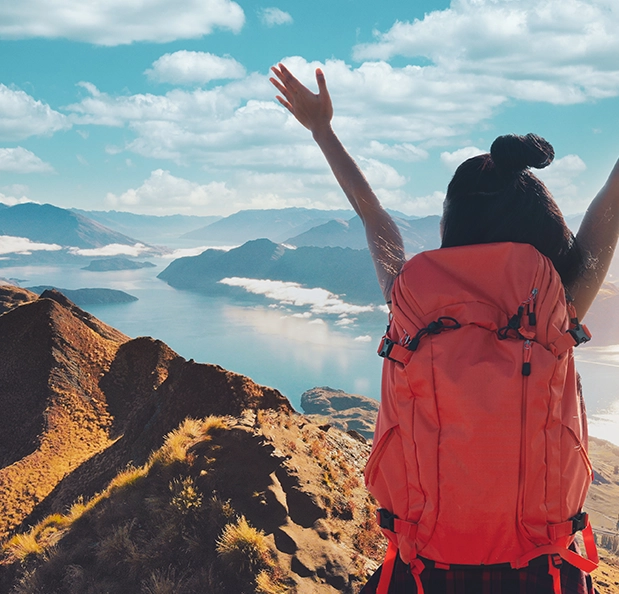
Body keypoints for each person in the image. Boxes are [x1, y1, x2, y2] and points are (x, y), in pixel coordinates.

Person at [270, 63, 619, 593]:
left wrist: (323, 132)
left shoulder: (410, 303)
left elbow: (374, 218)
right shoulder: (558, 309)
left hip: (422, 572)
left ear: (450, 228)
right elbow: (610, 207)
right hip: (541, 574)